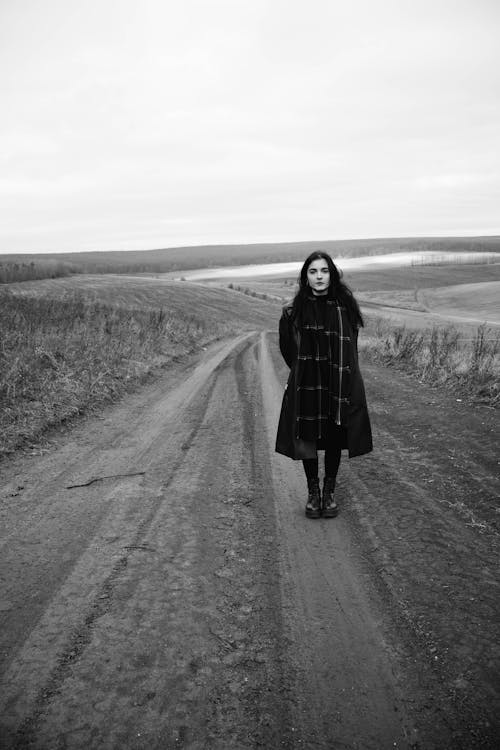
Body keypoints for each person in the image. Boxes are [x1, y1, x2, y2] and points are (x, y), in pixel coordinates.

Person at [275, 251, 373, 518]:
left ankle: (329, 492)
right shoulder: (292, 313)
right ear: (305, 277)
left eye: (324, 271)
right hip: (307, 383)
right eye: (313, 271)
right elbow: (288, 351)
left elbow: (351, 348)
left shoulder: (345, 309)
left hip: (336, 381)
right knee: (308, 437)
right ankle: (313, 492)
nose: (319, 277)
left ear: (332, 274)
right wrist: (300, 375)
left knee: (333, 437)